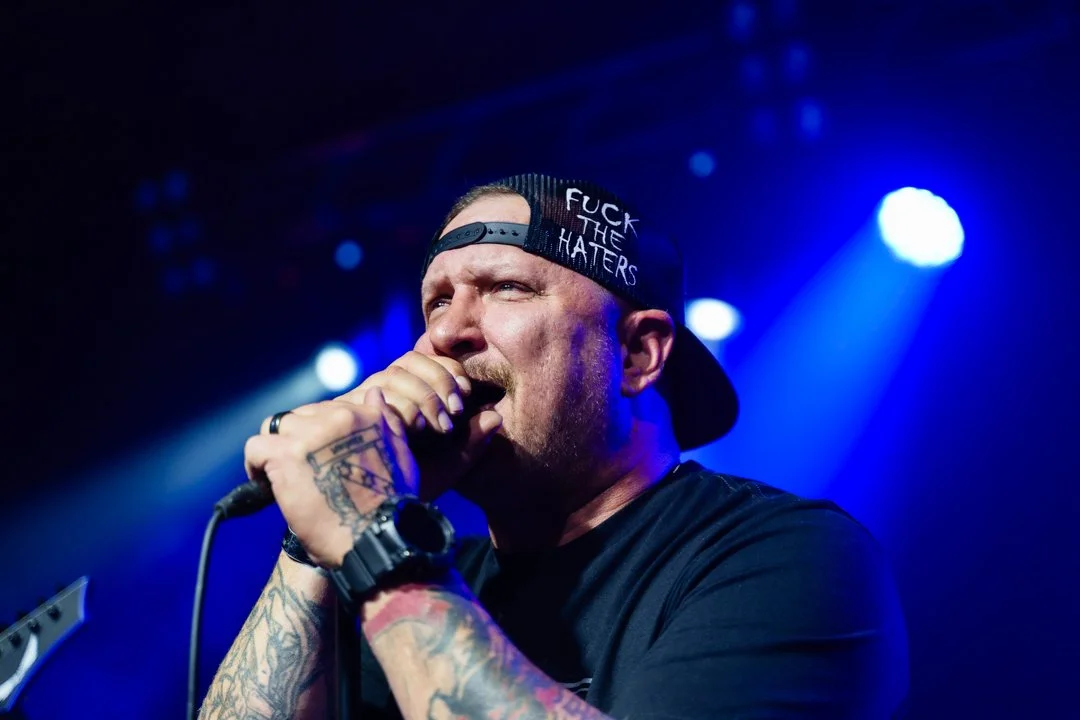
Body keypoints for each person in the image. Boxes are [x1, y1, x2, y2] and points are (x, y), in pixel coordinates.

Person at [199, 173, 909, 720]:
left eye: (506, 288)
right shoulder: (418, 573)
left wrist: (370, 538)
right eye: (437, 302)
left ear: (636, 354)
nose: (447, 335)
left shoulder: (783, 556)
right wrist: (313, 541)